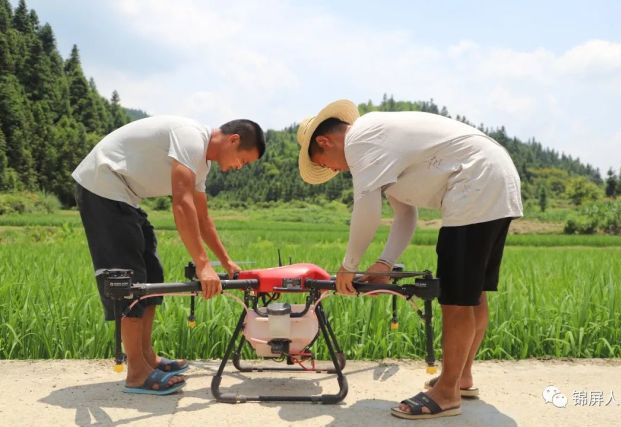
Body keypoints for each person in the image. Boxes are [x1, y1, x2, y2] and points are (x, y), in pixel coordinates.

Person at [296, 99, 522, 419]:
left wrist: (349, 266)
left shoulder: (360, 140)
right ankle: (461, 378)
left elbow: (366, 204)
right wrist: (384, 263)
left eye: (327, 165)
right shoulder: (382, 146)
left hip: (473, 182)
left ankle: (447, 393)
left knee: (456, 299)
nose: (335, 171)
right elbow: (405, 214)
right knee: (472, 293)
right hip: (494, 176)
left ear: (324, 141)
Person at [73, 115, 265, 395]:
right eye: (243, 161)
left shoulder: (201, 165)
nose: (239, 167)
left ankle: (147, 358)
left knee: (152, 275)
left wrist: (225, 261)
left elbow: (203, 218)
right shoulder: (192, 139)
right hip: (102, 186)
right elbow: (182, 203)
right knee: (129, 281)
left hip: (123, 195)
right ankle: (137, 373)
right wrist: (202, 265)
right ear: (234, 140)